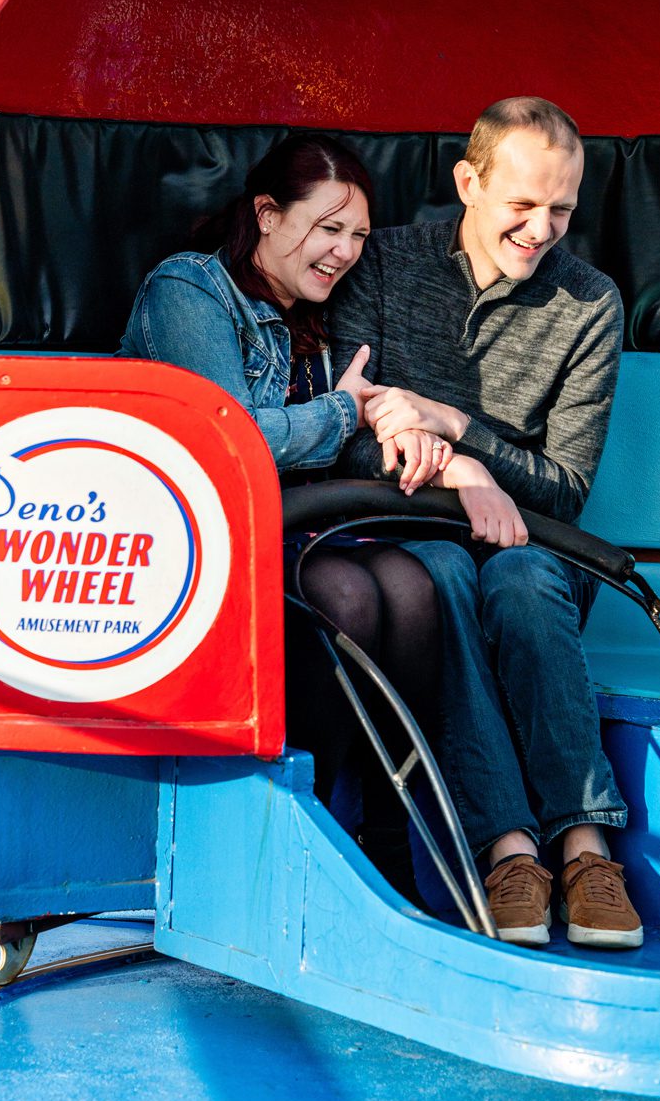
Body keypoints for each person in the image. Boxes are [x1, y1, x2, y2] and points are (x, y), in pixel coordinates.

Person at [327, 95, 641, 950]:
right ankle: (510, 849)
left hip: (536, 550)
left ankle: (583, 850)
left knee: (522, 578)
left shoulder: (589, 304)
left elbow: (563, 489)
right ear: (469, 182)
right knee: (448, 575)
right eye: (522, 205)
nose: (543, 229)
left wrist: (454, 426)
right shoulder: (383, 265)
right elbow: (344, 440)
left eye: (563, 209)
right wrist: (456, 479)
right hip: (415, 539)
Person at [120, 133, 450, 897]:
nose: (343, 252)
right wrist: (344, 412)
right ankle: (311, 826)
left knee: (414, 586)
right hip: (204, 543)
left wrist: (398, 425)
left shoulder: (324, 315)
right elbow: (231, 439)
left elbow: (364, 420)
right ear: (267, 215)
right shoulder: (191, 289)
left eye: (358, 236)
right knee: (350, 596)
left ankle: (390, 836)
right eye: (327, 228)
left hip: (304, 528)